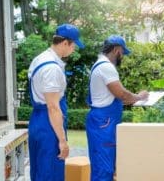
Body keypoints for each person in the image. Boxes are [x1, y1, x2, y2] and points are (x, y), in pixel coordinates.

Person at [86, 35, 149, 181]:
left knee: (104, 166)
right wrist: (140, 96)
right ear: (116, 50)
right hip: (104, 123)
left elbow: (115, 98)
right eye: (122, 53)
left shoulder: (99, 64)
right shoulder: (106, 67)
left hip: (102, 121)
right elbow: (122, 94)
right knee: (104, 168)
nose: (123, 57)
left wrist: (131, 99)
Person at [28, 24, 85, 181]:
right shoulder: (52, 69)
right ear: (65, 43)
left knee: (39, 172)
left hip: (37, 121)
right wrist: (62, 141)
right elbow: (53, 107)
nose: (74, 49)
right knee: (50, 174)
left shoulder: (40, 59)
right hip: (48, 124)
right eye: (74, 45)